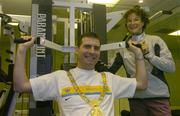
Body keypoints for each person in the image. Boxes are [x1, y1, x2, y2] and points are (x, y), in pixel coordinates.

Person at [13, 32, 147, 116]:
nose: (92, 51)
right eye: (87, 46)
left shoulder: (109, 78)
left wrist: (139, 55)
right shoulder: (60, 78)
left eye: (96, 48)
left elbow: (142, 84)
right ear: (77, 50)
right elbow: (20, 86)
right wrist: (21, 50)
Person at [96, 6, 176, 116]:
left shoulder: (155, 41)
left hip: (158, 97)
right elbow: (110, 71)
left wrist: (149, 55)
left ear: (143, 22)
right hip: (136, 98)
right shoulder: (123, 48)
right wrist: (94, 59)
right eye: (129, 20)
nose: (132, 23)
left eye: (136, 19)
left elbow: (171, 67)